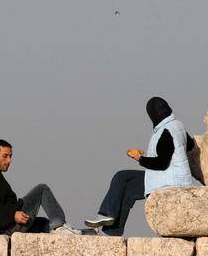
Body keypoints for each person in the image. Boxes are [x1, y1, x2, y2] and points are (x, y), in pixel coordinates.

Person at [84, 97, 195, 236]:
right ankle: (110, 226)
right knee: (128, 187)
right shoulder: (178, 125)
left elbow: (161, 163)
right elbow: (190, 146)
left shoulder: (165, 131)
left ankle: (107, 216)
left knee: (122, 177)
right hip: (173, 178)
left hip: (167, 182)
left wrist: (140, 158)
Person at [0, 139, 80, 235]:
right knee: (42, 189)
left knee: (43, 223)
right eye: (5, 156)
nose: (9, 160)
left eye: (10, 156)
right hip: (9, 226)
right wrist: (12, 215)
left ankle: (81, 232)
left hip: (7, 226)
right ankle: (59, 225)